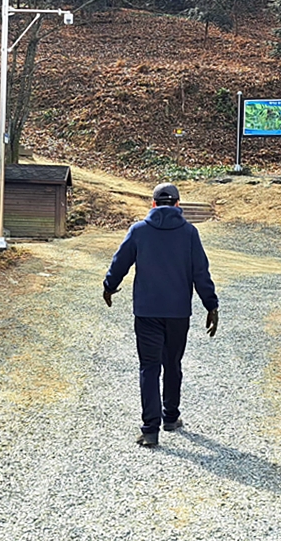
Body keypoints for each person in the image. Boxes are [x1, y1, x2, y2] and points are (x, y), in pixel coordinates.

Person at [103, 182, 219, 447]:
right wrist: (211, 305)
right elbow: (201, 272)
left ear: (153, 204)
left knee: (149, 367)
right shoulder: (189, 233)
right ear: (178, 204)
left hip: (147, 311)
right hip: (178, 312)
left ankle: (150, 430)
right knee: (173, 363)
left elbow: (120, 262)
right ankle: (171, 417)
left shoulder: (139, 231)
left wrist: (109, 286)